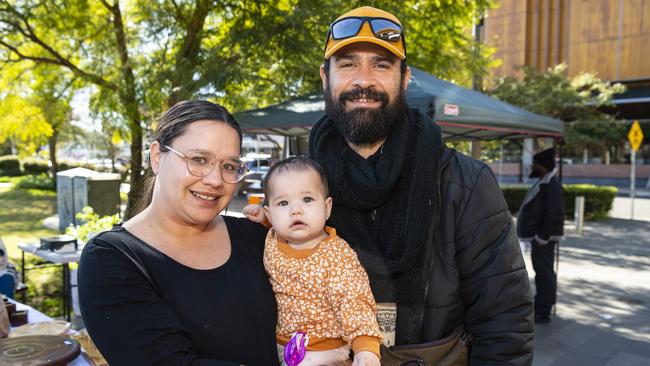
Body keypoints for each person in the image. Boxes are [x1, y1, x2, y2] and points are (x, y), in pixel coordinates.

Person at [310, 5, 534, 364]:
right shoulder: (296, 188)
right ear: (325, 77)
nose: (363, 80)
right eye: (348, 63)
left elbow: (504, 326)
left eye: (381, 65)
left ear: (405, 78)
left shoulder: (467, 183)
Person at [78, 100, 280, 366]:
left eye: (229, 166)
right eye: (198, 159)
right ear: (157, 157)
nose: (215, 180)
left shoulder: (256, 237)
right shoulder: (111, 259)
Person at [260, 156, 381, 366]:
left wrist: (366, 349)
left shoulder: (337, 254)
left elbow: (354, 300)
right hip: (281, 347)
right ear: (269, 215)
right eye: (283, 202)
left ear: (327, 208)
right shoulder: (271, 238)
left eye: (307, 199)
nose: (295, 210)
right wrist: (259, 219)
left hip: (326, 350)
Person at [516, 148, 564, 324]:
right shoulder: (544, 182)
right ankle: (541, 305)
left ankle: (544, 310)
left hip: (543, 239)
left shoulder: (552, 186)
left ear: (542, 166)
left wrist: (541, 238)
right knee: (542, 273)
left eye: (535, 164)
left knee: (544, 274)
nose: (532, 167)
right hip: (540, 238)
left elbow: (553, 215)